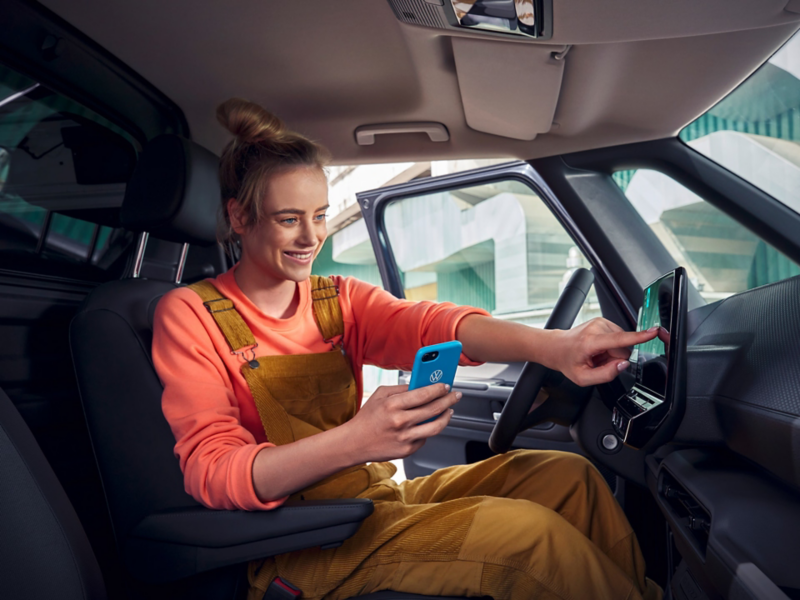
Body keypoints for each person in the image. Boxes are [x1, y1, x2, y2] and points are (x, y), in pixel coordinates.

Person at [152, 98, 663, 600]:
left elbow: (431, 324)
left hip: (374, 503)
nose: (312, 237)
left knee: (569, 477)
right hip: (300, 541)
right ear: (239, 218)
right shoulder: (190, 313)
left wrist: (555, 347)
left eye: (321, 215)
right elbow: (213, 473)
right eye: (289, 219)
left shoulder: (337, 299)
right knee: (531, 538)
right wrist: (358, 440)